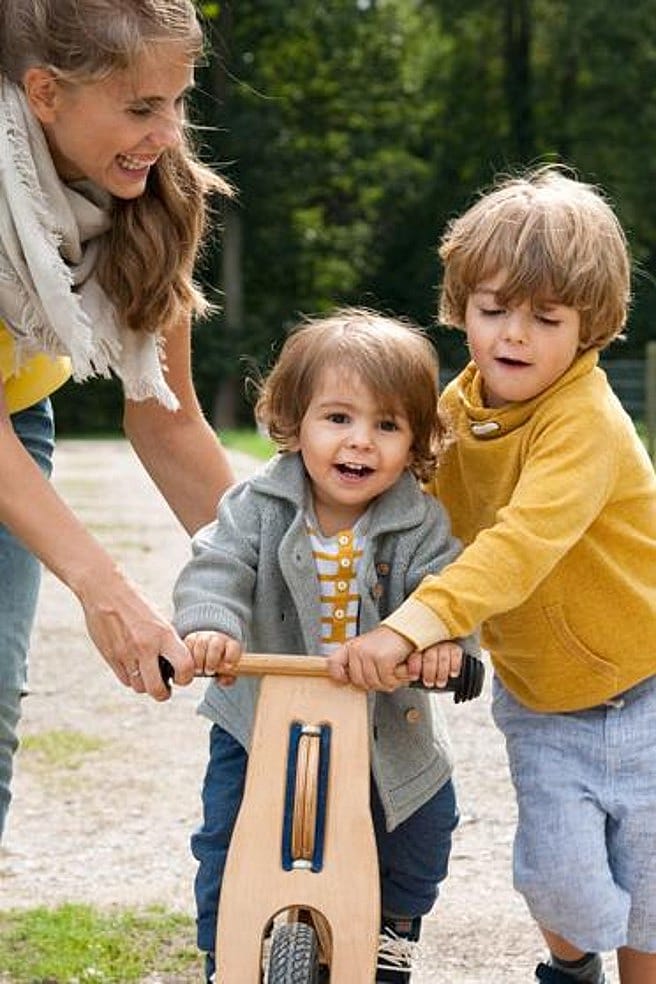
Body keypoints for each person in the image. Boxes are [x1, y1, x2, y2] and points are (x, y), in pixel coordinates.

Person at [327, 167, 656, 984]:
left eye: (545, 318)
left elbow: (519, 546)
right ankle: (574, 968)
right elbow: (401, 516)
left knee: (650, 891)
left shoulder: (583, 421)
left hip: (648, 684)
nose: (514, 334)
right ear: (461, 307)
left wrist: (414, 625)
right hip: (545, 702)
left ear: (588, 327)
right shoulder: (452, 414)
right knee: (557, 877)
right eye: (492, 310)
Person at [173, 308, 480, 984]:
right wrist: (211, 627)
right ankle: (225, 951)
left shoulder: (417, 522)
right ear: (293, 420)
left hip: (380, 721)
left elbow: (447, 591)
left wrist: (443, 646)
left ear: (416, 441)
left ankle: (391, 933)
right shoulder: (256, 505)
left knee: (423, 820)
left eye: (388, 425)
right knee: (229, 835)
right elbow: (217, 567)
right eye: (338, 418)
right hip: (261, 713)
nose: (361, 443)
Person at [0, 0, 236, 843]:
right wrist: (107, 592)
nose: (169, 132)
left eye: (178, 101)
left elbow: (166, 422)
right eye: (141, 107)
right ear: (43, 91)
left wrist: (278, 572)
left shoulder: (155, 193)